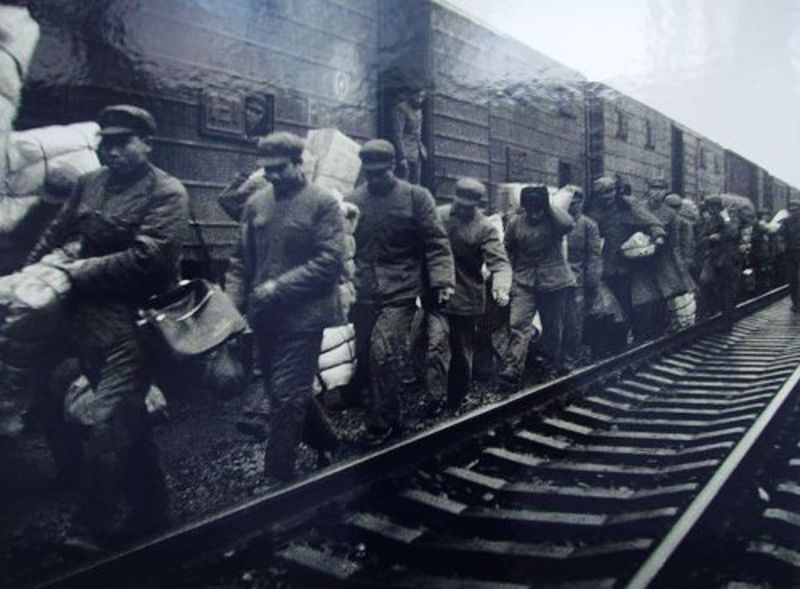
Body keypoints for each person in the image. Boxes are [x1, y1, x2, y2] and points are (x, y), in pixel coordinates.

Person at [26, 105, 188, 548]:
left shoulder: (167, 192)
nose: (111, 151)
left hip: (135, 325)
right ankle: (152, 509)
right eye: (106, 143)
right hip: (86, 324)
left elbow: (149, 258)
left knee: (106, 419)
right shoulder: (88, 184)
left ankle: (91, 526)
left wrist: (77, 271)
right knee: (129, 417)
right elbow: (55, 233)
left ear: (146, 144)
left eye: (122, 142)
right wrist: (32, 275)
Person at [225, 131, 345, 483]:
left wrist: (280, 287)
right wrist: (230, 310)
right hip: (265, 316)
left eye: (280, 168)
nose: (273, 175)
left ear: (298, 163)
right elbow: (239, 261)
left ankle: (276, 479)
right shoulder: (256, 204)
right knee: (284, 391)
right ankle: (327, 440)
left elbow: (330, 261)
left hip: (306, 316)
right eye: (267, 169)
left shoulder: (322, 203)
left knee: (286, 396)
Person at [346, 139, 454, 446]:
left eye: (381, 172)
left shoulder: (416, 197)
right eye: (370, 173)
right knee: (365, 358)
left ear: (393, 166)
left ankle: (385, 424)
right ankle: (374, 414)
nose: (376, 178)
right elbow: (342, 245)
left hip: (401, 289)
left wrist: (442, 281)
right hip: (363, 291)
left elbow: (436, 242)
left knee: (383, 354)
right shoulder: (353, 200)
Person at [425, 177, 511, 413]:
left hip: (466, 297)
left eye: (468, 206)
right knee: (435, 345)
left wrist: (501, 286)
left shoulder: (485, 228)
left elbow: (499, 263)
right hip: (437, 295)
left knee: (462, 353)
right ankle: (435, 398)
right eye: (460, 204)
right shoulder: (438, 216)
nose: (463, 209)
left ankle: (457, 397)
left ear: (477, 205)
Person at [499, 184, 575, 386]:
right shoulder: (515, 223)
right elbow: (508, 247)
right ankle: (513, 368)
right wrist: (513, 272)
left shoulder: (555, 221)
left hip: (554, 282)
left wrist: (548, 207)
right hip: (524, 281)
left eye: (538, 209)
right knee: (518, 324)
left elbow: (568, 224)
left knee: (552, 328)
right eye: (530, 209)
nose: (534, 215)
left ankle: (548, 365)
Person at [590, 175, 666, 352]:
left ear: (616, 191)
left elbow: (650, 221)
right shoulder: (592, 210)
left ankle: (621, 342)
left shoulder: (627, 206)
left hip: (625, 265)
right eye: (602, 193)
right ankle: (603, 345)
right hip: (600, 266)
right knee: (602, 306)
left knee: (625, 304)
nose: (607, 196)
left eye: (610, 191)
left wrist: (658, 236)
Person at [563, 186, 602, 368]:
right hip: (554, 279)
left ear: (581, 203)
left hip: (576, 280)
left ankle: (571, 357)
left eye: (575, 202)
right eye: (569, 202)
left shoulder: (588, 225)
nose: (571, 205)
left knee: (574, 321)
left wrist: (592, 284)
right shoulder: (556, 222)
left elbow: (594, 256)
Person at [387, 87, 427, 184]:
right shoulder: (400, 109)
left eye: (422, 97)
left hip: (417, 153)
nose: (419, 100)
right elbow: (397, 135)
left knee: (416, 185)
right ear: (411, 95)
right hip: (405, 153)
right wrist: (402, 157)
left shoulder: (419, 111)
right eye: (417, 96)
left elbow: (418, 133)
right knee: (404, 184)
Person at [777, 197, 800, 310]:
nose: (793, 212)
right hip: (791, 253)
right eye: (791, 210)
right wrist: (783, 247)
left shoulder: (786, 221)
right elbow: (780, 236)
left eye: (795, 210)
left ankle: (796, 302)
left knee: (795, 278)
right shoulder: (786, 222)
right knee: (792, 279)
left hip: (794, 253)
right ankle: (796, 303)